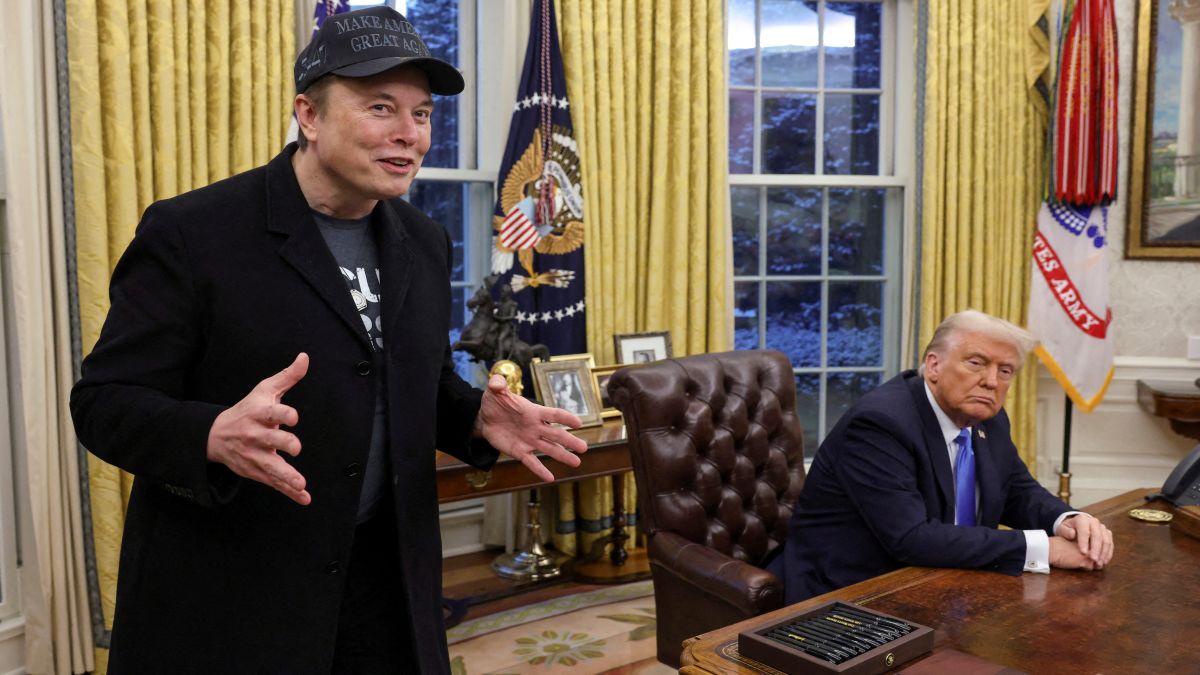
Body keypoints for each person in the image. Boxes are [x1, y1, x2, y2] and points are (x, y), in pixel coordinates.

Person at [69, 7, 586, 674]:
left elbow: (407, 386)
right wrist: (210, 434)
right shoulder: (192, 233)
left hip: (387, 582)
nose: (411, 136)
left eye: (423, 114)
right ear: (308, 116)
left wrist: (474, 417)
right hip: (237, 592)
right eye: (381, 108)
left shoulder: (423, 242)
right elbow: (103, 402)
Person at [768, 310, 1114, 604]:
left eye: (1005, 370)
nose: (991, 381)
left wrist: (1065, 520)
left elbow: (1015, 489)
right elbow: (911, 538)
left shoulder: (987, 417)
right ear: (933, 365)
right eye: (976, 363)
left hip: (941, 584)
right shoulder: (880, 424)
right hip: (851, 592)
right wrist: (1042, 548)